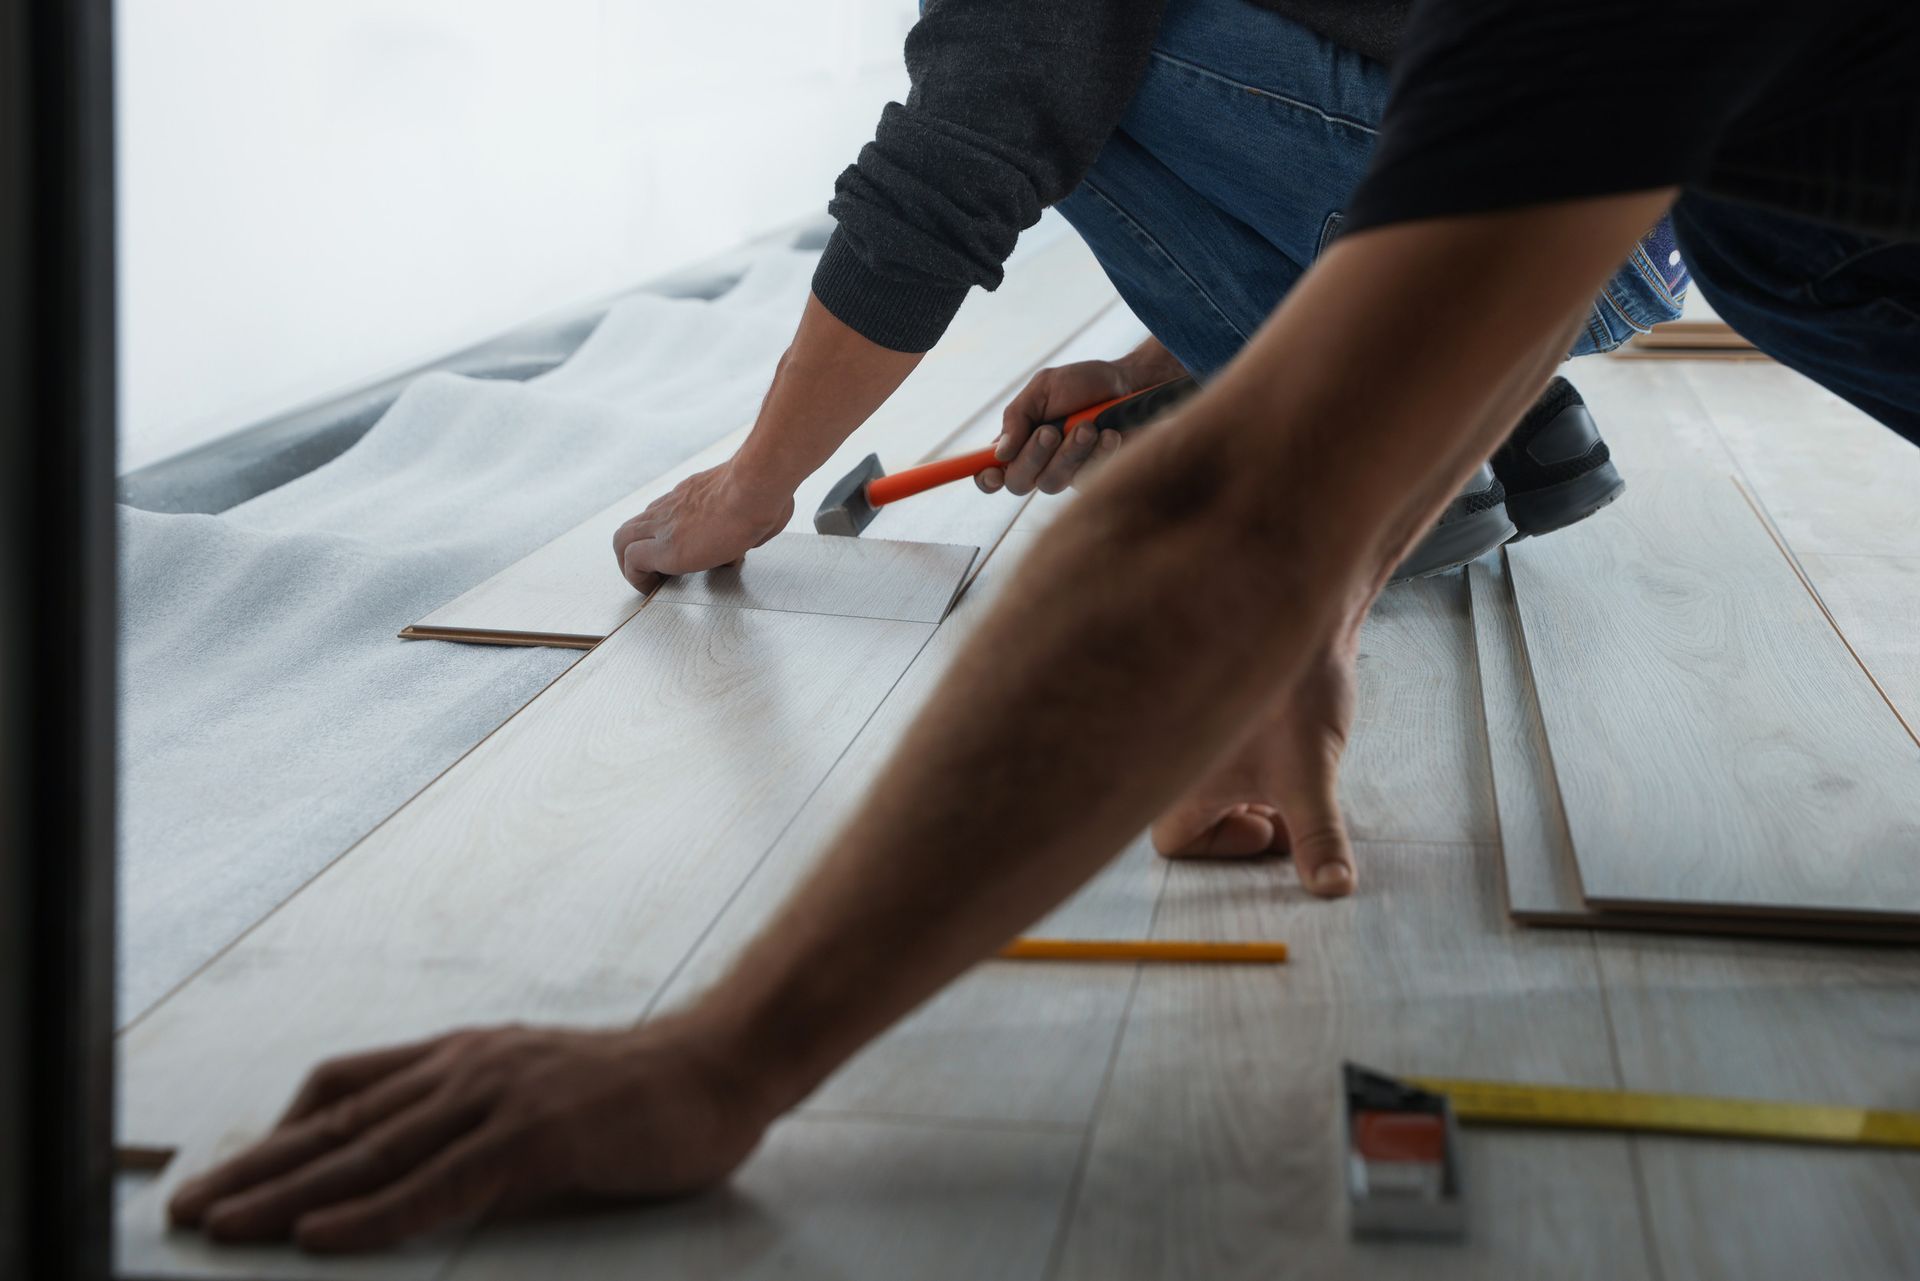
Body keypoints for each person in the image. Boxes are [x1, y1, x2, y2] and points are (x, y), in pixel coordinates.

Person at [168, 0, 1919, 1254]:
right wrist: (1253, 461)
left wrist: (722, 1053)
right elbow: (1567, 146)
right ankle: (1392, 393)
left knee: (1075, 54)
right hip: (1699, 217)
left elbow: (993, 201)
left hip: (1695, 208)